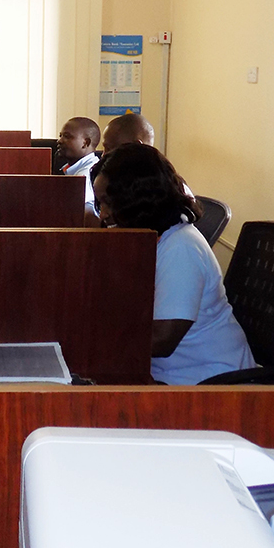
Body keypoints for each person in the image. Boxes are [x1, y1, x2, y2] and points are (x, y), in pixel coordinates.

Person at [92, 145, 253, 384]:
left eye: (108, 202)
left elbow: (161, 340)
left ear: (135, 200)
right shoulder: (151, 238)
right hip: (166, 373)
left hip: (207, 381)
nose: (103, 214)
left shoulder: (181, 247)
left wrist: (89, 338)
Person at [56, 117, 101, 212]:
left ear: (85, 143)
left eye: (67, 136)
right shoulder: (79, 170)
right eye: (60, 136)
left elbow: (70, 212)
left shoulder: (84, 177)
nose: (59, 141)